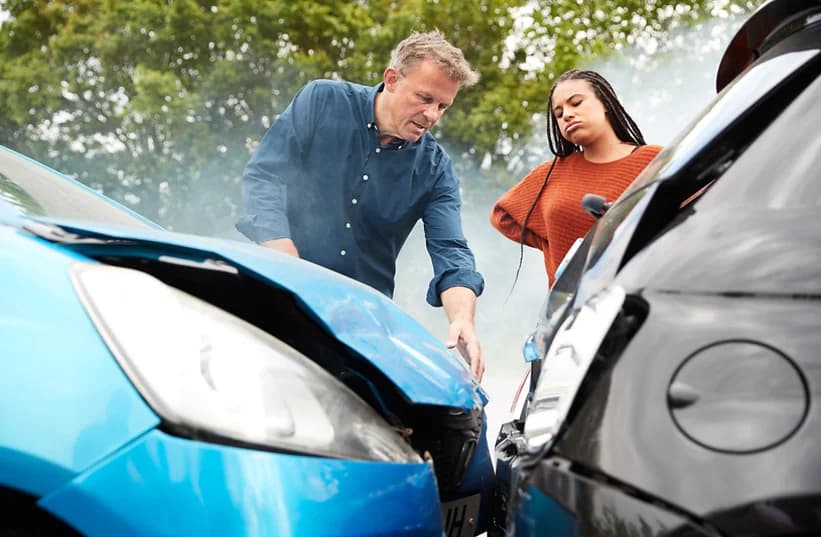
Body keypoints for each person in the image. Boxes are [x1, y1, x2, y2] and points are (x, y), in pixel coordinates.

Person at [236, 31, 485, 380]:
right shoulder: (322, 99)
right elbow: (264, 177)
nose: (431, 115)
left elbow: (452, 252)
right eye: (424, 98)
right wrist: (290, 269)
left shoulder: (435, 168)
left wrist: (461, 319)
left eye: (442, 106)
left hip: (358, 330)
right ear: (392, 79)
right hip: (277, 300)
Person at [490, 69, 663, 288]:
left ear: (606, 102)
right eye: (559, 114)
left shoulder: (653, 159)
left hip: (640, 296)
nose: (567, 115)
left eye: (576, 103)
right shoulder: (553, 172)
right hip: (569, 310)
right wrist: (554, 243)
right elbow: (502, 216)